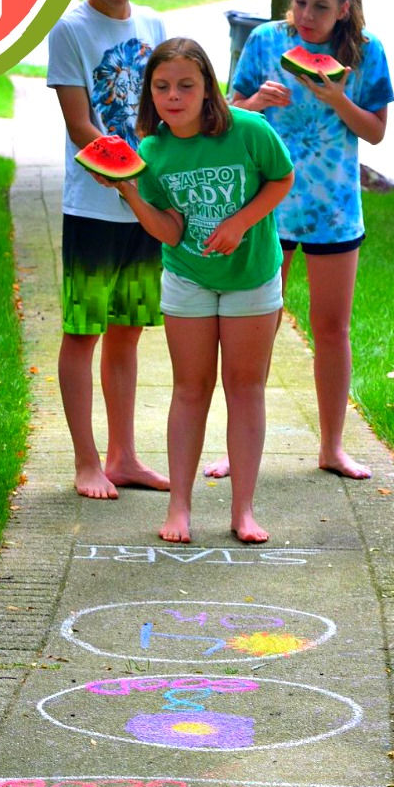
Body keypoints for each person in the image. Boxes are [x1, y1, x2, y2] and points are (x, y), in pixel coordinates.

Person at [91, 38, 293, 543]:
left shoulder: (250, 130)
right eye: (162, 87)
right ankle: (178, 507)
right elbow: (171, 231)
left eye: (186, 85)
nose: (173, 96)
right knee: (190, 388)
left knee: (245, 389)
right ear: (150, 93)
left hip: (251, 275)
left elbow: (282, 179)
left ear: (208, 88)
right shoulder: (153, 150)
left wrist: (241, 222)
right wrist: (130, 192)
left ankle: (242, 510)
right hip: (188, 278)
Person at [205, 0, 394, 481]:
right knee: (257, 328)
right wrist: (254, 102)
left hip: (334, 209)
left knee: (332, 330)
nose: (307, 16)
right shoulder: (266, 41)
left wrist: (337, 98)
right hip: (268, 205)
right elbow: (226, 115)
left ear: (344, 9)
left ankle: (332, 447)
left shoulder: (367, 52)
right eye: (301, 3)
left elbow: (375, 133)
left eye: (321, 7)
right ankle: (236, 449)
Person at [47, 0, 169, 500]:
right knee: (83, 332)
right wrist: (119, 177)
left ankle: (124, 456)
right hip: (93, 208)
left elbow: (167, 109)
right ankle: (86, 460)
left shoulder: (153, 25)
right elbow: (79, 125)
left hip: (145, 208)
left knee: (127, 335)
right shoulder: (71, 29)